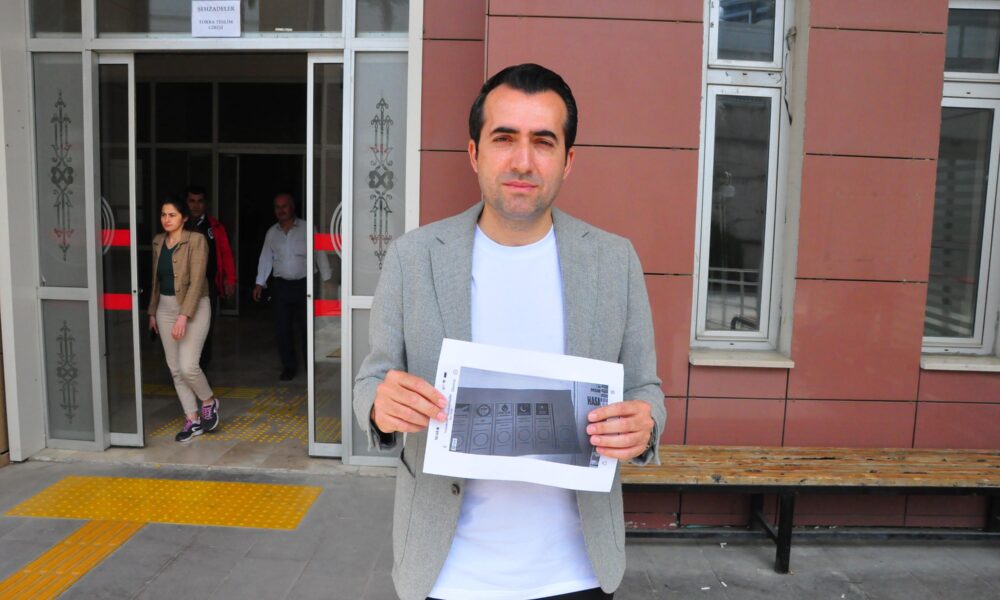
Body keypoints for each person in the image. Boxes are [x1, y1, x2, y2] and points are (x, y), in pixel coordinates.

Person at [353, 64, 665, 600]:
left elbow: (644, 388)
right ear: (474, 152)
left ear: (568, 160)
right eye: (504, 138)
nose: (523, 161)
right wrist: (381, 407)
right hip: (445, 573)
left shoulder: (614, 261)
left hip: (579, 573)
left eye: (543, 141)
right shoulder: (413, 258)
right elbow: (371, 380)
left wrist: (645, 425)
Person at [148, 198, 221, 442]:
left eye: (172, 215)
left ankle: (208, 401)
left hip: (195, 306)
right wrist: (152, 312)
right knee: (175, 369)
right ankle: (193, 419)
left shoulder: (197, 240)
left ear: (184, 218)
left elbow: (198, 281)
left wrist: (183, 316)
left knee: (189, 366)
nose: (166, 219)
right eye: (163, 214)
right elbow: (155, 281)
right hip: (165, 307)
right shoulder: (158, 241)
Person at [253, 193, 333, 381]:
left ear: (292, 207)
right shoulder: (272, 233)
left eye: (284, 206)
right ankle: (288, 367)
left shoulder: (307, 228)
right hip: (281, 286)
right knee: (282, 328)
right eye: (277, 207)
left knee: (307, 327)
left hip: (305, 285)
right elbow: (265, 258)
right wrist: (259, 283)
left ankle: (310, 365)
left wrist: (327, 279)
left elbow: (320, 253)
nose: (281, 210)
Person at [185, 185, 236, 370]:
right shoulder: (178, 224)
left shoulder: (214, 226)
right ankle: (185, 366)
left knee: (205, 326)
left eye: (199, 201)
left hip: (208, 285)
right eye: (192, 201)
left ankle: (202, 366)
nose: (196, 205)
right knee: (183, 325)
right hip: (183, 285)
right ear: (186, 203)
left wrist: (230, 279)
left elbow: (226, 253)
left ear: (205, 203)